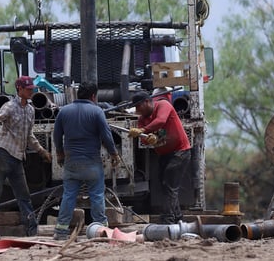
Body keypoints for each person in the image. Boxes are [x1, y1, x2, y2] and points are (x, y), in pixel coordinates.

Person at [0, 76, 52, 237]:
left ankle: (31, 229)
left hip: (17, 158)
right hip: (1, 154)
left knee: (24, 196)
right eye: (28, 89)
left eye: (32, 89)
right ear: (19, 89)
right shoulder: (9, 107)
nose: (31, 91)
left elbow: (29, 136)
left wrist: (41, 151)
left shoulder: (30, 110)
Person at [53, 81, 121, 240]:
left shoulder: (64, 111)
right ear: (93, 96)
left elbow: (57, 135)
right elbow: (106, 136)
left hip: (71, 163)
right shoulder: (97, 111)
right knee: (97, 195)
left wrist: (59, 153)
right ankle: (100, 230)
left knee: (68, 196)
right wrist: (114, 154)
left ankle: (61, 232)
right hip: (92, 163)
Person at [128, 91, 191, 224]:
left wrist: (144, 131)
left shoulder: (163, 105)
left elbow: (161, 121)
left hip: (180, 151)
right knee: (166, 186)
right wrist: (148, 139)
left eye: (138, 107)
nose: (138, 111)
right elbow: (143, 140)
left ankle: (168, 219)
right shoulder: (142, 120)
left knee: (169, 185)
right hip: (164, 154)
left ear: (147, 102)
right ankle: (178, 217)